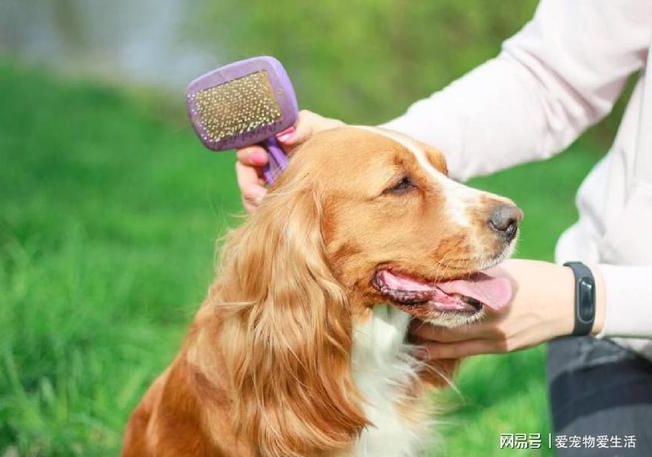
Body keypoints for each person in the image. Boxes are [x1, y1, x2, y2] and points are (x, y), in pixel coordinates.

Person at [235, 1, 652, 455]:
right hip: (614, 343)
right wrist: (360, 150)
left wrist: (586, 300)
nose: (503, 213)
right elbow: (549, 78)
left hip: (595, 311)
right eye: (400, 186)